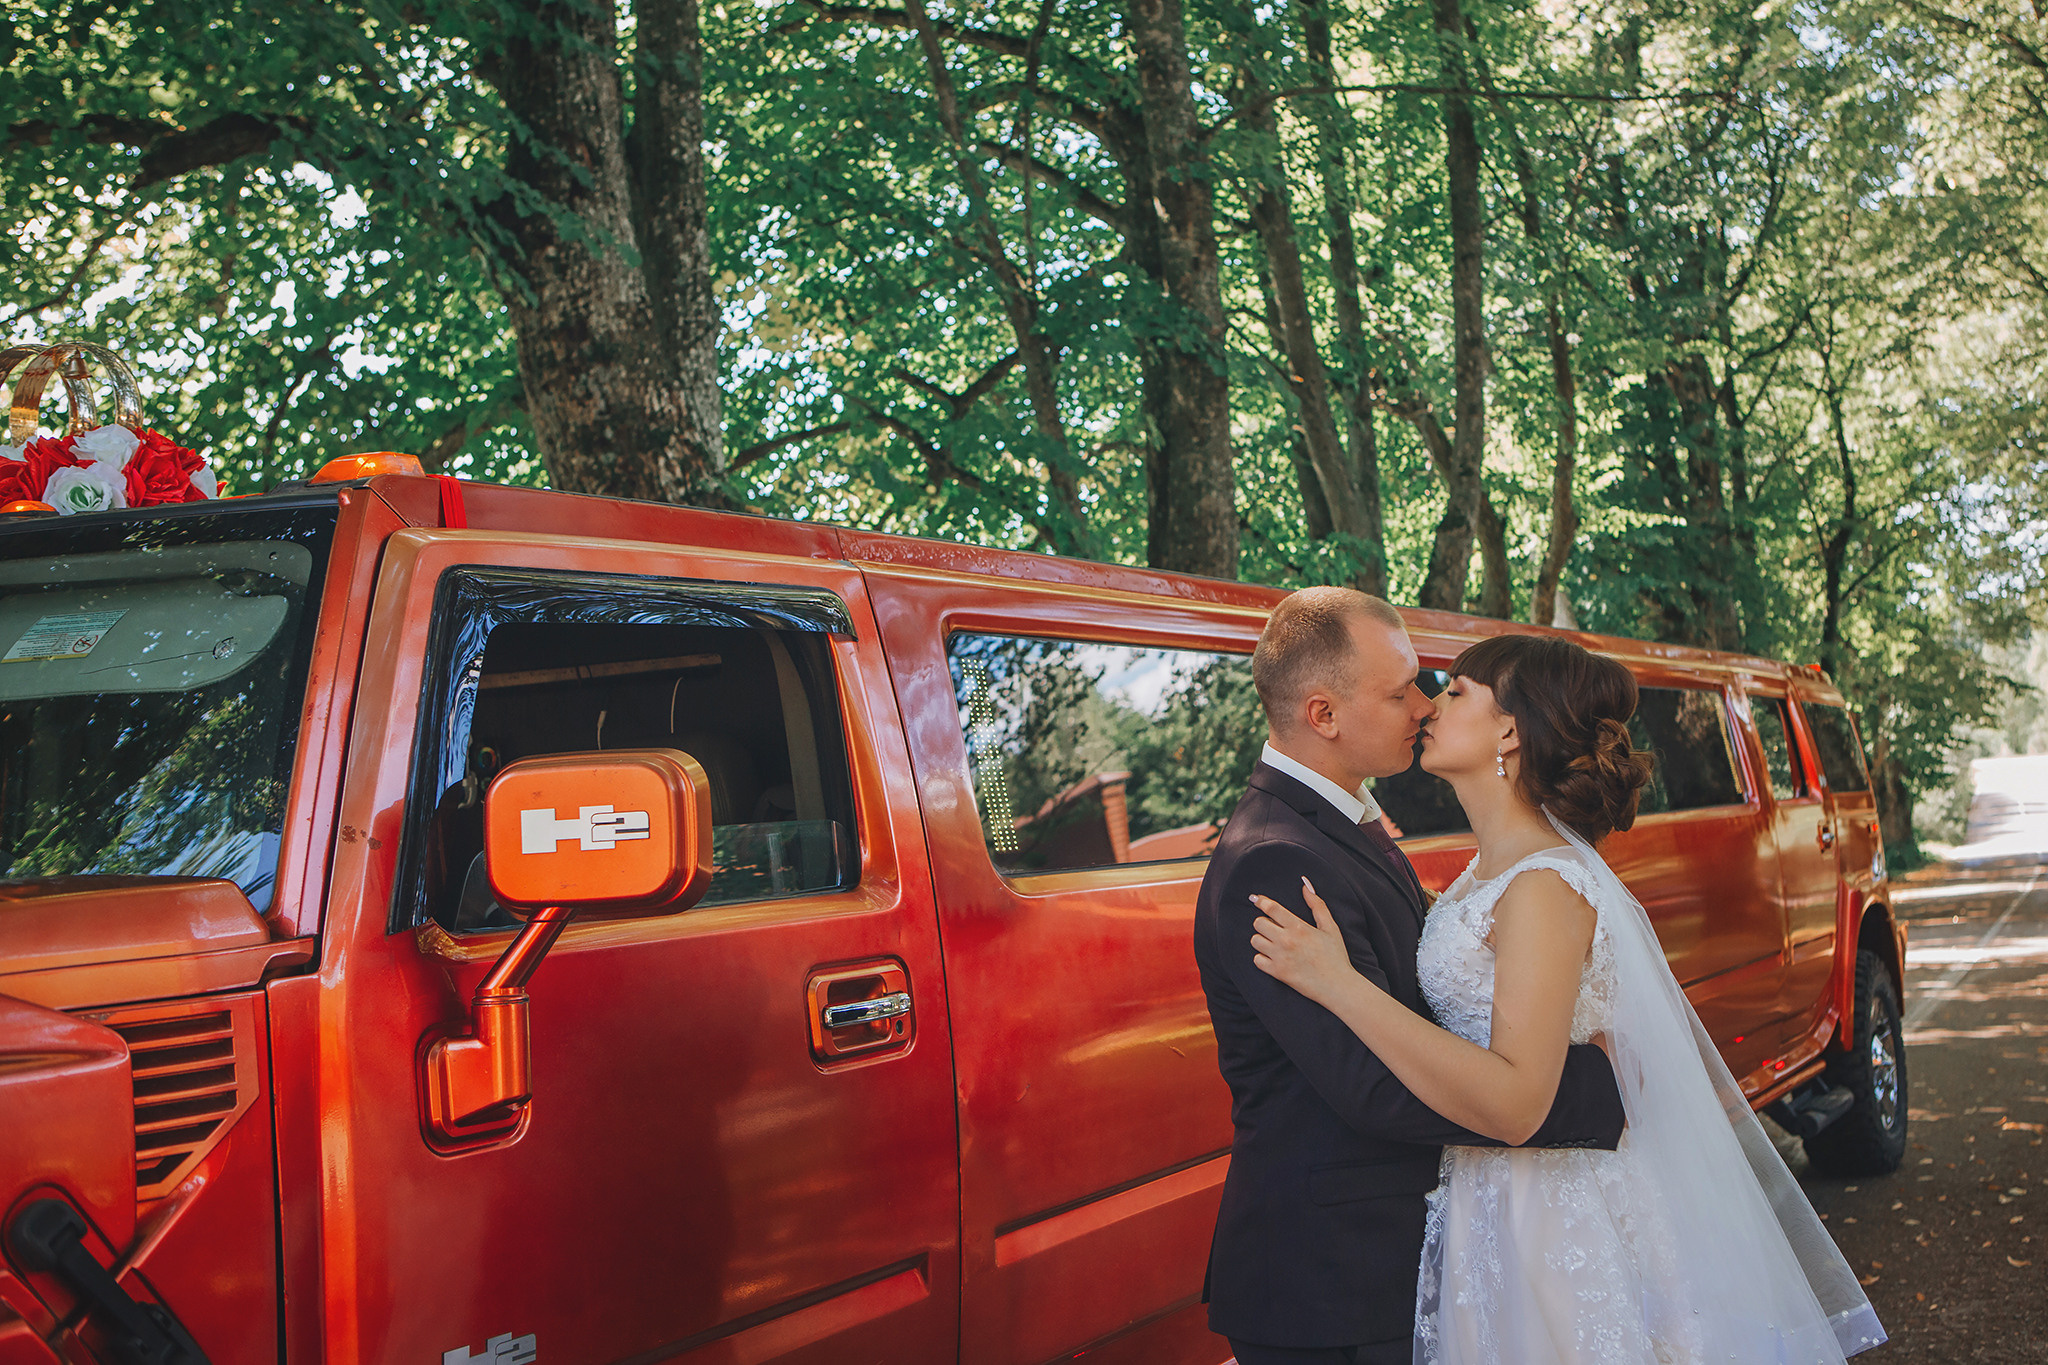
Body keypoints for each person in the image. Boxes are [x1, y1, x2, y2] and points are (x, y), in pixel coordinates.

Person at [1249, 632, 1886, 1364]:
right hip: (1485, 1206)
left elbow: (1520, 1101)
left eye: (1454, 692)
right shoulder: (1484, 876)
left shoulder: (1544, 886)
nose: (1429, 704)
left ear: (1510, 732)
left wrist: (1340, 985)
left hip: (1548, 1218)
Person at [1192, 588, 1628, 1365]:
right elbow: (1371, 1086)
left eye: (1436, 687)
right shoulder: (1275, 856)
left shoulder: (1345, 820)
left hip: (1400, 1252)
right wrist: (1585, 1092)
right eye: (1402, 691)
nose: (1424, 705)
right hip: (1331, 1278)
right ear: (1323, 714)